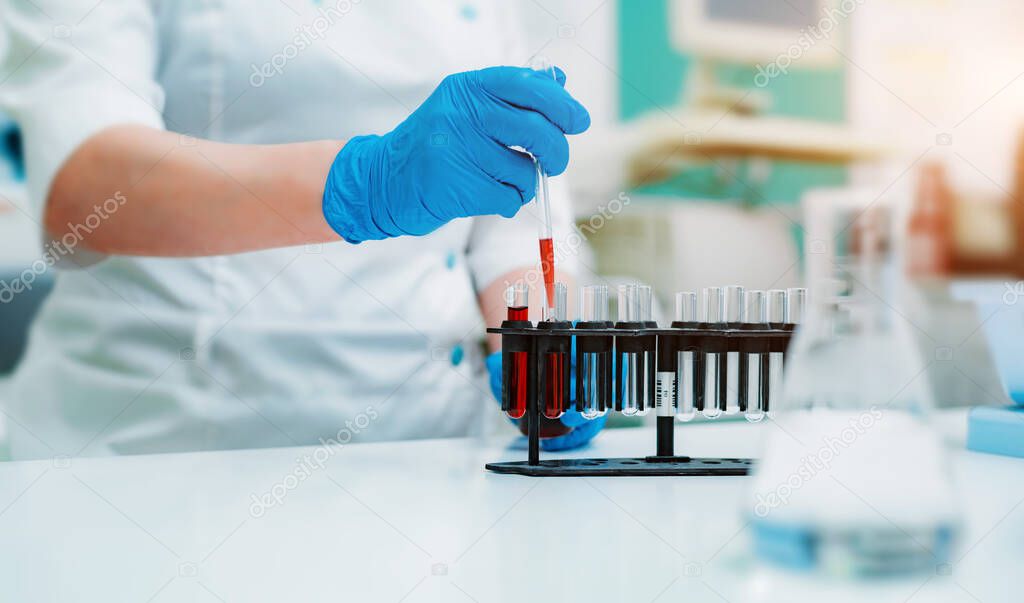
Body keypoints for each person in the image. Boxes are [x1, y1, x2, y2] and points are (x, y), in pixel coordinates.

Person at [0, 0, 604, 459]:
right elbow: (81, 185)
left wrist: (541, 347)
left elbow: (515, 210)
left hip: (431, 450)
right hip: (170, 445)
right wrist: (367, 184)